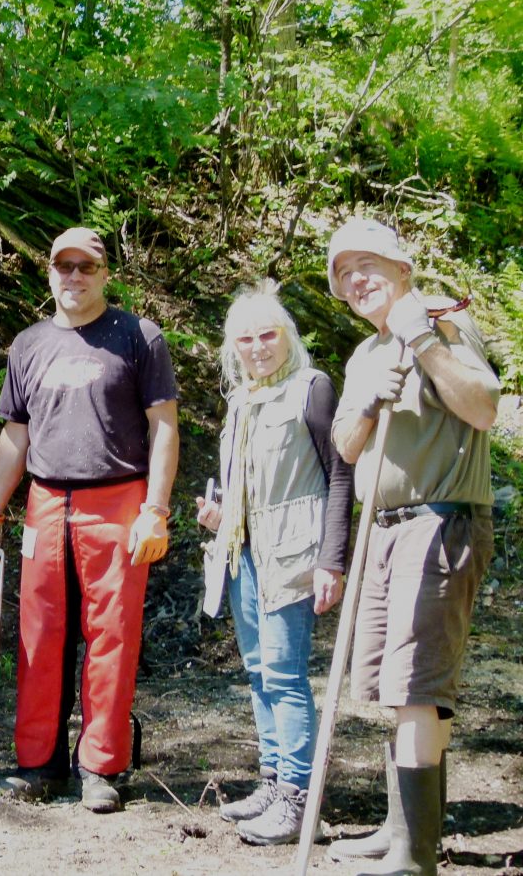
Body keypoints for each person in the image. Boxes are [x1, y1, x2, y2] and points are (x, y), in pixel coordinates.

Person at [0, 226, 179, 813]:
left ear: (105, 273)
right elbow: (15, 434)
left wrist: (155, 510)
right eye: (64, 266)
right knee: (39, 635)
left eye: (86, 267)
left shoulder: (139, 336)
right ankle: (39, 763)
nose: (74, 277)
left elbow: (164, 426)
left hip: (117, 500)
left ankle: (100, 766)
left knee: (112, 637)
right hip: (45, 501)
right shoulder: (29, 344)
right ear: (50, 272)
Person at [323, 219, 496, 875]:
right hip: (384, 529)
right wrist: (368, 401)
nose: (356, 279)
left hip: (439, 520)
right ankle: (399, 828)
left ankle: (414, 854)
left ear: (401, 268)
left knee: (418, 686)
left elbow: (481, 407)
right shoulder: (364, 354)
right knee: (395, 689)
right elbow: (345, 445)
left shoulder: (443, 324)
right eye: (344, 272)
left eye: (367, 264)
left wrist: (422, 342)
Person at [192, 282, 351, 844]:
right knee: (258, 674)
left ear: (287, 337)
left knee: (285, 675)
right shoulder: (241, 401)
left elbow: (340, 476)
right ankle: (272, 777)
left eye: (267, 335)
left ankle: (297, 799)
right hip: (242, 555)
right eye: (245, 338)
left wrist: (333, 559)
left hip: (294, 555)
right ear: (231, 347)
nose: (258, 347)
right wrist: (219, 514)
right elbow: (249, 486)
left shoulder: (313, 389)